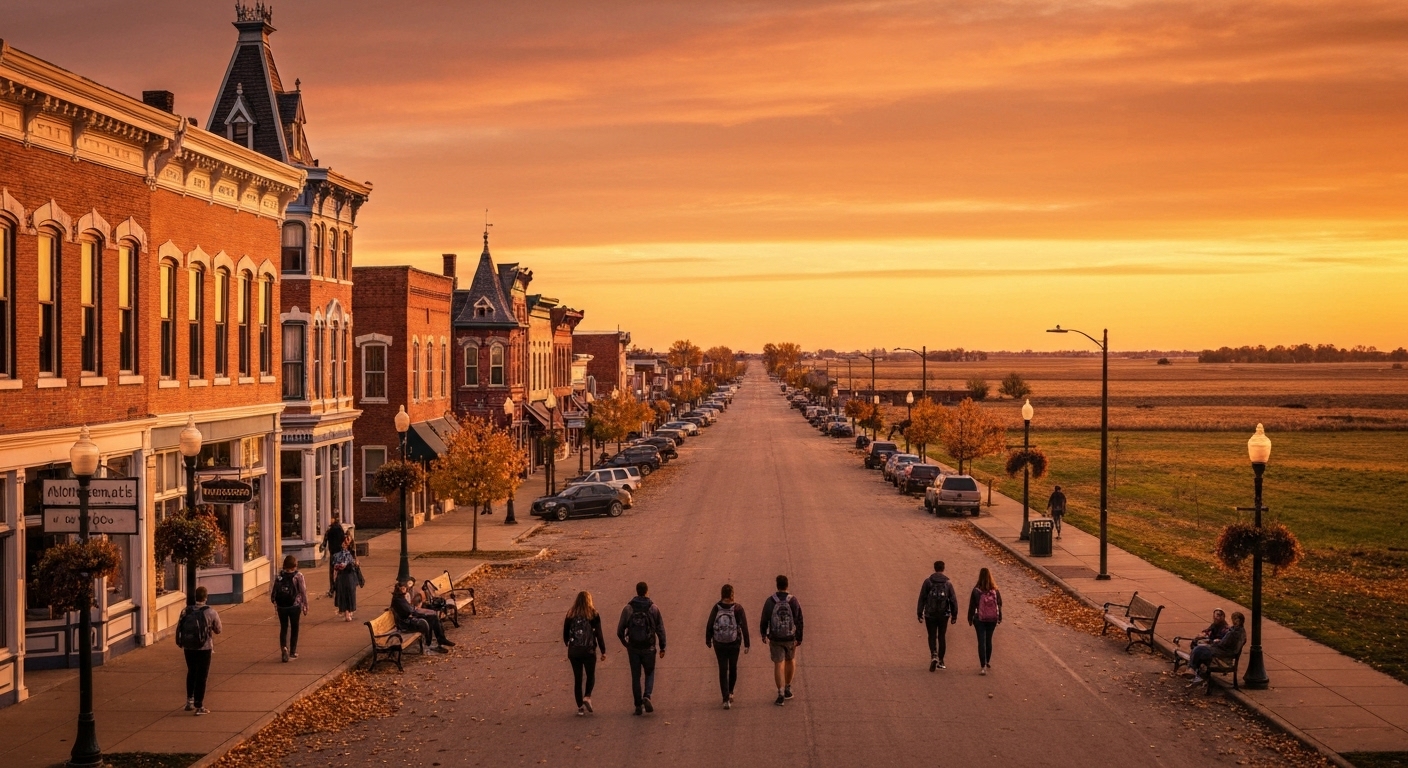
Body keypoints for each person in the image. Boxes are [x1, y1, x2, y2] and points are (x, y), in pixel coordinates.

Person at [616, 581, 666, 716]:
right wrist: (662, 646)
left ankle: (638, 705)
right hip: (649, 647)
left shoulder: (628, 608)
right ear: (647, 591)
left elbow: (620, 630)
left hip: (633, 648)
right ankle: (647, 695)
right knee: (649, 672)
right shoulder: (653, 608)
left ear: (637, 591)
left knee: (635, 676)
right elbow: (660, 629)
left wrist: (626, 644)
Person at [705, 584, 751, 709]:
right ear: (732, 595)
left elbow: (710, 623)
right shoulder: (737, 608)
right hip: (734, 642)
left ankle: (725, 699)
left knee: (722, 669)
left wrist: (708, 639)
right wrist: (747, 643)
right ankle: (730, 692)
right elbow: (744, 627)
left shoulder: (717, 607)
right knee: (733, 667)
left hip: (719, 643)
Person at [178, 586, 222, 715]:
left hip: (188, 647)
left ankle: (189, 701)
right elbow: (218, 630)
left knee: (191, 672)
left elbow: (181, 627)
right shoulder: (211, 612)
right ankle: (199, 705)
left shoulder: (186, 611)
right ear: (206, 597)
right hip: (205, 647)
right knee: (202, 675)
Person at [760, 574, 803, 706]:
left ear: (777, 585)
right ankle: (788, 687)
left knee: (778, 664)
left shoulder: (770, 601)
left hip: (776, 637)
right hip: (790, 637)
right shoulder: (793, 601)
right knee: (790, 660)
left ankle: (780, 692)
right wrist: (799, 637)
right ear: (787, 585)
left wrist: (763, 634)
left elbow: (764, 618)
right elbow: (799, 620)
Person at [563, 591, 607, 715]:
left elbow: (565, 633)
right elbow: (599, 634)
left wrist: (569, 644)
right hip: (588, 650)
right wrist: (603, 651)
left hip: (574, 651)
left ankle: (580, 708)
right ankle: (587, 696)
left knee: (578, 679)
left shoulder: (570, 614)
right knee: (590, 675)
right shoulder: (593, 614)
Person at [391, 581, 456, 652]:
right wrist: (422, 613)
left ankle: (441, 639)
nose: (405, 590)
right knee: (427, 620)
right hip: (405, 624)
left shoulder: (400, 597)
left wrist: (421, 612)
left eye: (405, 588)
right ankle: (430, 644)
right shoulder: (398, 599)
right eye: (402, 589)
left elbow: (410, 610)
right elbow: (410, 611)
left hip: (409, 619)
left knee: (433, 617)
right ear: (398, 589)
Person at [917, 561, 958, 671]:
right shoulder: (948, 583)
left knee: (931, 635)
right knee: (942, 636)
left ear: (934, 568)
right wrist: (954, 615)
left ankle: (933, 654)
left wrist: (919, 612)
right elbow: (953, 600)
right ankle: (941, 660)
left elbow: (922, 598)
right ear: (943, 568)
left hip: (930, 614)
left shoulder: (928, 582)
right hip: (943, 614)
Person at [1189, 612, 1246, 685]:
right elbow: (1226, 642)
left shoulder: (1235, 633)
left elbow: (1225, 644)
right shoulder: (1237, 630)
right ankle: (1196, 673)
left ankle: (1193, 670)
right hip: (1222, 649)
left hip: (1223, 652)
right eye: (1233, 619)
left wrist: (1216, 642)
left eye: (1236, 619)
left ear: (1240, 621)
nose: (1234, 621)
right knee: (1200, 649)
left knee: (1199, 649)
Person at [270, 555, 308, 663]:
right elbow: (303, 591)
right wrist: (305, 605)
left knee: (284, 628)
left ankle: (284, 648)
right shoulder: (298, 576)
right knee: (295, 628)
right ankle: (293, 651)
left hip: (282, 607)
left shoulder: (279, 577)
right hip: (294, 606)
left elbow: (274, 594)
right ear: (295, 565)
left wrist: (276, 604)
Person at [967, 568, 1003, 675]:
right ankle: (987, 660)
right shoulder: (995, 590)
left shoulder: (976, 590)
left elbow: (972, 606)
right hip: (992, 619)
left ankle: (982, 665)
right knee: (989, 640)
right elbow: (999, 604)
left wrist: (970, 618)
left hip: (980, 618)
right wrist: (999, 617)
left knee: (981, 641)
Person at [332, 538, 362, 621]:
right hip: (346, 576)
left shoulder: (348, 553)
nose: (344, 544)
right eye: (344, 542)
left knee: (346, 594)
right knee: (347, 594)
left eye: (346, 542)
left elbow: (335, 566)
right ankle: (348, 612)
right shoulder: (348, 554)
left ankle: (347, 612)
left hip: (347, 575)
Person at [319, 514, 347, 596]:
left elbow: (325, 541)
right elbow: (343, 540)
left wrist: (322, 547)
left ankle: (332, 588)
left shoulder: (329, 530)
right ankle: (340, 588)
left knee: (332, 571)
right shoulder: (340, 529)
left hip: (333, 553)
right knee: (340, 570)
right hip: (340, 552)